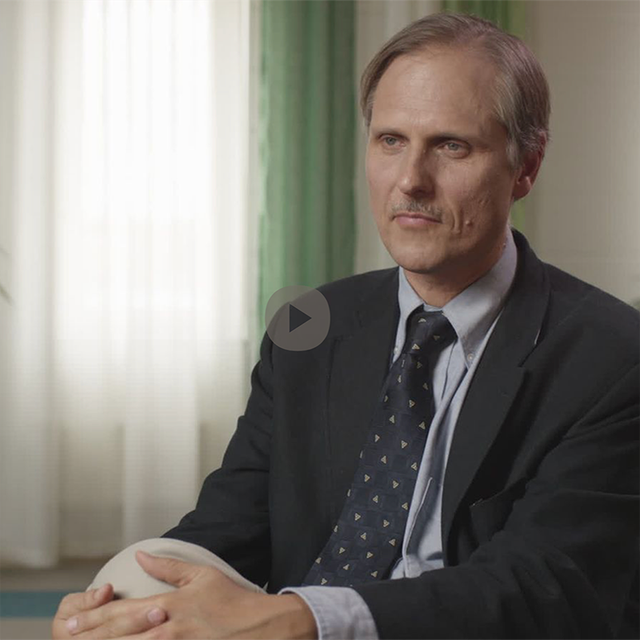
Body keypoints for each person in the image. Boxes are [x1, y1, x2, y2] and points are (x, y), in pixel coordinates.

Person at [53, 12, 640, 640]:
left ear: (526, 165)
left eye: (451, 145)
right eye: (390, 140)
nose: (410, 180)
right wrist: (122, 605)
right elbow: (230, 529)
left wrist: (309, 618)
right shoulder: (309, 325)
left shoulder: (611, 358)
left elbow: (542, 585)